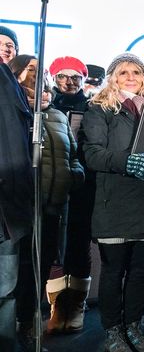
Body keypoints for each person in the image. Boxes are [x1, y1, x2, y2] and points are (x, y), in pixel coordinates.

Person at [80, 52, 144, 352]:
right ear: (113, 76)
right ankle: (113, 331)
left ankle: (133, 328)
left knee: (140, 272)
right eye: (124, 72)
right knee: (114, 271)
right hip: (114, 203)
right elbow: (92, 153)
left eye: (137, 73)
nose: (130, 77)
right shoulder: (100, 110)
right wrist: (128, 162)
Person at [9, 54, 85, 351]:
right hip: (22, 209)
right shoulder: (14, 112)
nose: (36, 78)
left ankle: (30, 324)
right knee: (18, 271)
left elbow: (73, 155)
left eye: (40, 74)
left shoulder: (54, 115)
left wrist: (73, 176)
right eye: (30, 71)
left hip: (54, 206)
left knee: (41, 267)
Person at [46, 56, 93, 334]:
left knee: (79, 243)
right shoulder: (45, 107)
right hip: (53, 187)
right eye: (63, 76)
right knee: (53, 248)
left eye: (75, 77)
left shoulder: (93, 109)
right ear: (53, 79)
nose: (69, 82)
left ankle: (77, 304)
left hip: (85, 186)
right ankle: (57, 305)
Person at [0, 30, 33, 352]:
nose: (4, 50)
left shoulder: (15, 90)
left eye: (9, 45)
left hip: (10, 207)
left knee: (7, 287)